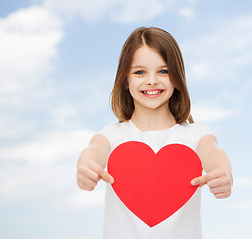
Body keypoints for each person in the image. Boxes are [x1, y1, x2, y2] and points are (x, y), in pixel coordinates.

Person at [76, 27, 233, 239]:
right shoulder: (113, 136)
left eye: (163, 71)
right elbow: (93, 150)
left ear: (177, 77)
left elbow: (214, 153)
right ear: (125, 80)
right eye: (140, 72)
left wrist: (224, 172)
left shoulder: (195, 134)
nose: (151, 80)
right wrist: (85, 166)